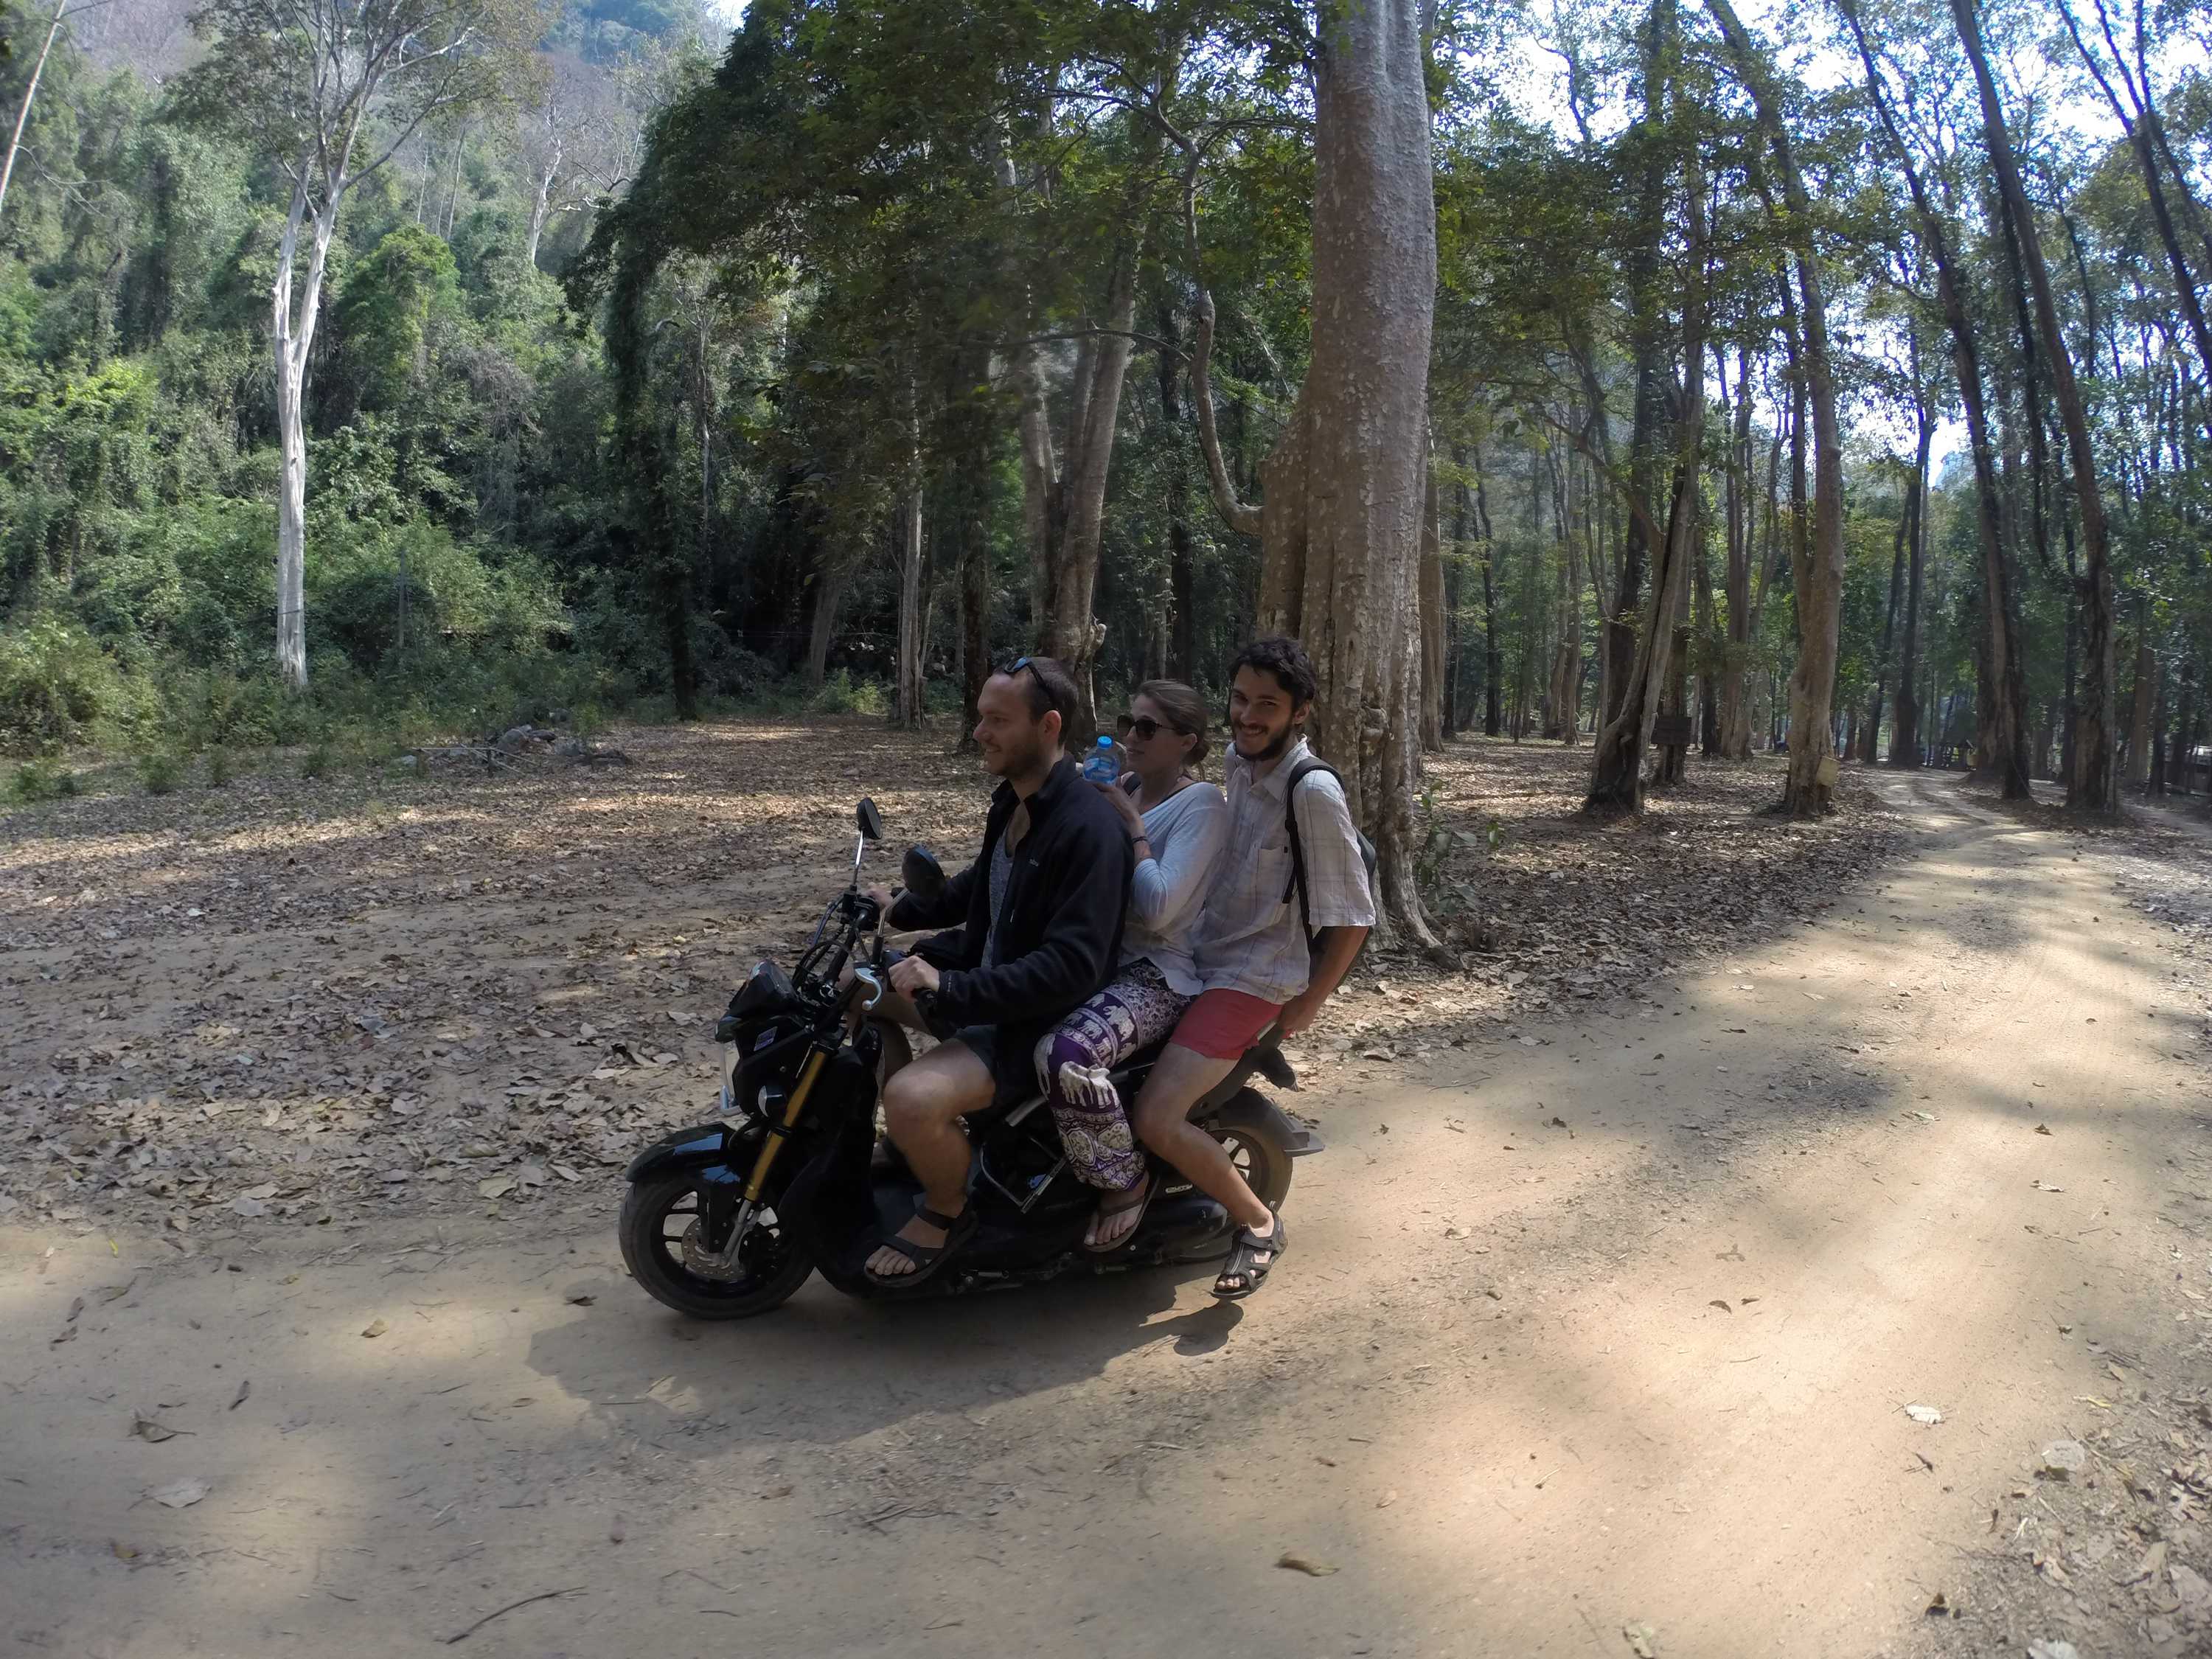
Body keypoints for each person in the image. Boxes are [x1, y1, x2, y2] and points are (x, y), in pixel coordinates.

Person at [859, 655, 1133, 1286]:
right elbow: (981, 885)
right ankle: (907, 1146)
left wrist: (951, 984)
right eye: (981, 717)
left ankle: (947, 1209)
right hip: (985, 994)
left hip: (1031, 1022)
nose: (980, 732)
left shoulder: (1089, 828)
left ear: (1048, 726)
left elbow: (1072, 968)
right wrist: (899, 908)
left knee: (910, 1098)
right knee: (856, 988)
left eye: (997, 721)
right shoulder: (1013, 800)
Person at [1130, 636, 1374, 1300]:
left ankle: (1259, 1221)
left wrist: (1307, 1004)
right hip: (1196, 952)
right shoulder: (1238, 764)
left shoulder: (1311, 790)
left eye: (1267, 704)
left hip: (1253, 976)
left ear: (1301, 711)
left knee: (1157, 1116)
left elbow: (1354, 916)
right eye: (1240, 699)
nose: (1247, 715)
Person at [1032, 681, 1229, 1253]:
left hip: (1158, 974)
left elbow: (1160, 908)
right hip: (1098, 957)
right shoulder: (1125, 785)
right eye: (1128, 723)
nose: (1130, 737)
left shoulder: (1202, 805)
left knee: (1064, 1053)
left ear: (1186, 742)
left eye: (1147, 728)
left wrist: (1134, 830)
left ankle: (1123, 1182)